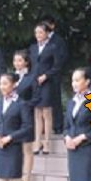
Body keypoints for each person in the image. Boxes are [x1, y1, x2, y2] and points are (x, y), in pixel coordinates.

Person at [29, 20, 68, 153]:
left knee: (46, 112)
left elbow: (57, 66)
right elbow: (31, 65)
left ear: (47, 33)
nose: (38, 35)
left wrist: (46, 76)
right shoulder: (33, 48)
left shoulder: (53, 47)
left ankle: (47, 142)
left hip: (48, 82)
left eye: (41, 32)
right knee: (37, 112)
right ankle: (37, 141)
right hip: (35, 82)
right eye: (36, 33)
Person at [13, 50, 40, 181]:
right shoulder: (11, 77)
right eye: (15, 61)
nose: (17, 63)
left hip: (26, 116)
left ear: (26, 62)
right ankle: (17, 176)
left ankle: (27, 178)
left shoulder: (31, 77)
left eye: (20, 60)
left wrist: (24, 105)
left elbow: (37, 98)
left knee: (27, 149)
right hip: (12, 117)